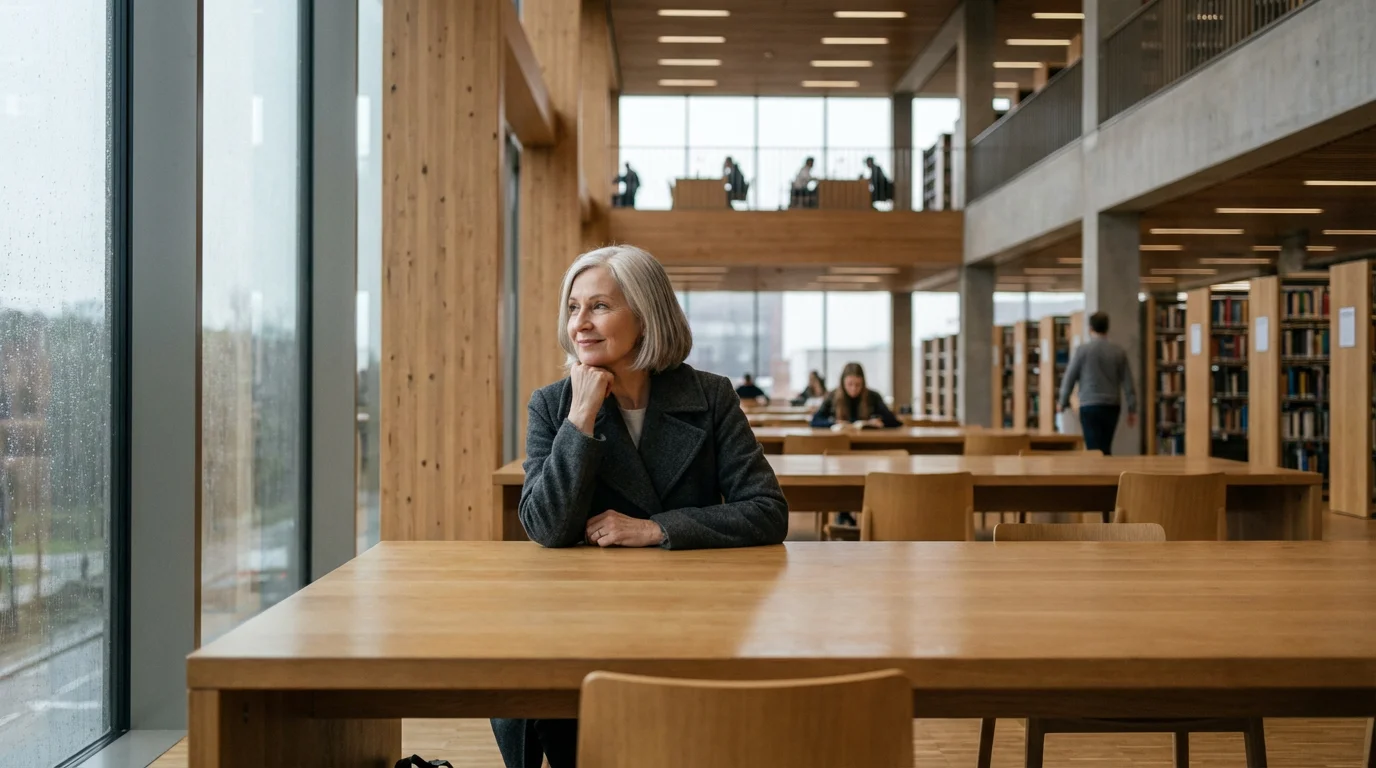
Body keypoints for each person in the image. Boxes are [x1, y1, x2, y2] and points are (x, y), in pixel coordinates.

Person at [493, 244, 789, 768]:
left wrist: (655, 530)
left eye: (599, 306)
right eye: (572, 307)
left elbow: (767, 509)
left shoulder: (711, 395)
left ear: (647, 316)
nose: (578, 324)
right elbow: (545, 526)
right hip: (586, 624)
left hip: (692, 620)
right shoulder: (552, 404)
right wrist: (580, 419)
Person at [1056, 311, 1138, 455]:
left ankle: (1098, 474)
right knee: (1106, 446)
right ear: (1107, 328)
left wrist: (1062, 402)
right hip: (1112, 406)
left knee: (1093, 448)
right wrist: (1132, 408)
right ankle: (1107, 474)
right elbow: (1128, 382)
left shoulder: (1082, 351)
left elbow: (1070, 377)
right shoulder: (1118, 352)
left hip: (1089, 405)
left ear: (1090, 328)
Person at [809, 362, 901, 429]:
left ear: (863, 383)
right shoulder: (832, 396)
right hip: (839, 443)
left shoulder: (873, 396)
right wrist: (833, 423)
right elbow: (815, 421)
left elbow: (895, 422)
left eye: (858, 385)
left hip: (867, 443)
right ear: (843, 383)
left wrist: (881, 422)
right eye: (850, 384)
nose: (853, 388)